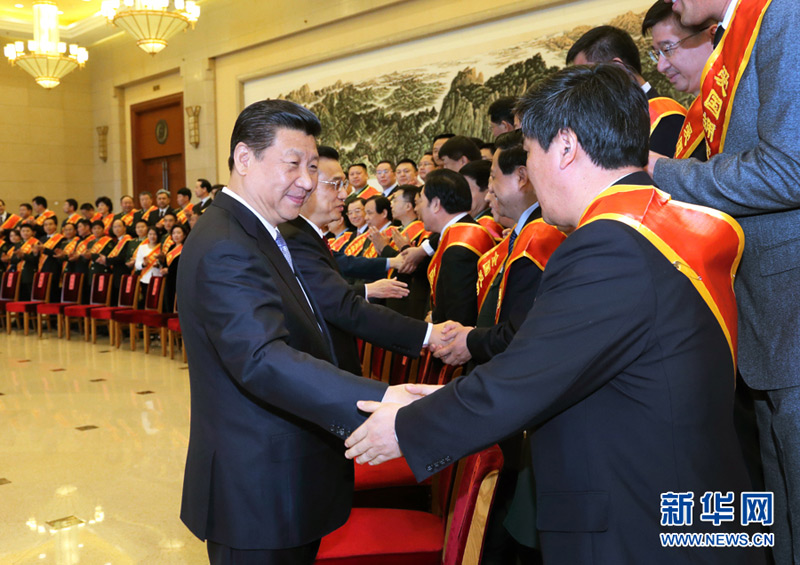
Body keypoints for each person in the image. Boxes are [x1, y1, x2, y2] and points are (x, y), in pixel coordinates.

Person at [345, 64, 765, 565]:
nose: (527, 174)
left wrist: (407, 428)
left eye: (528, 154)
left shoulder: (610, 242)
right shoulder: (664, 221)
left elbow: (526, 379)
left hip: (639, 521)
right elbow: (575, 369)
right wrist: (441, 395)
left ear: (564, 146)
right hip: (694, 507)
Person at [177, 99, 421, 565]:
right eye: (293, 164)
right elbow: (263, 359)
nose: (307, 181)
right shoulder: (227, 244)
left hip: (282, 479)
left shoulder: (262, 231)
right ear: (245, 159)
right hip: (257, 492)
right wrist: (383, 398)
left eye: (312, 166)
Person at [649, 1, 800, 562]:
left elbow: (791, 168)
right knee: (782, 515)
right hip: (768, 325)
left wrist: (659, 172)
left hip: (790, 313)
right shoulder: (746, 30)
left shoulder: (782, 12)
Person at [278, 146, 432, 376]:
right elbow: (341, 305)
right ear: (305, 184)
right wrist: (427, 334)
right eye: (336, 184)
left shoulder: (304, 234)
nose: (343, 194)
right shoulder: (294, 238)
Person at [567, 25, 686, 158]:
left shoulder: (666, 118)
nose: (585, 90)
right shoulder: (625, 118)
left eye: (589, 77)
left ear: (618, 69)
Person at [417, 168, 495, 325]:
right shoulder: (466, 229)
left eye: (420, 201)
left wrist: (435, 318)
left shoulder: (458, 249)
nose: (416, 208)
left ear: (436, 204)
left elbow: (459, 317)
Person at [642, 1, 715, 160]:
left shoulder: (740, 101)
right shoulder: (700, 112)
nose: (661, 67)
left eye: (667, 49)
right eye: (657, 54)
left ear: (712, 36)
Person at [160, 223, 188, 313]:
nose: (176, 235)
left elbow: (182, 264)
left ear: (184, 234)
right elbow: (166, 262)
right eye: (174, 233)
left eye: (179, 233)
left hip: (179, 279)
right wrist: (163, 268)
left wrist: (169, 270)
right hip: (169, 279)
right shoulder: (171, 247)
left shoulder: (186, 248)